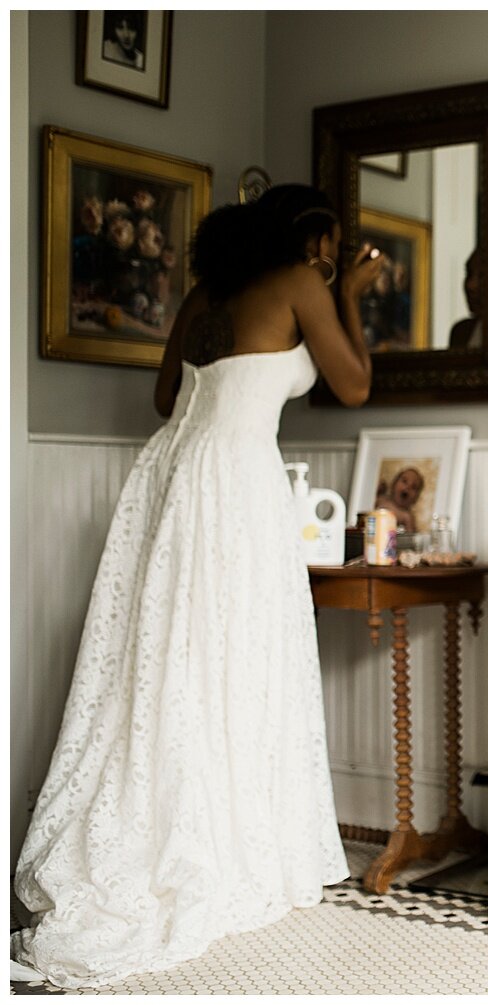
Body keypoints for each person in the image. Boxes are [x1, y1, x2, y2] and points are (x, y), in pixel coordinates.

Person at [11, 184, 383, 989]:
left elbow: (161, 399)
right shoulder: (304, 284)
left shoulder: (209, 292)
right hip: (238, 481)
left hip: (175, 474)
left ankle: (187, 822)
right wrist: (350, 297)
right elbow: (352, 385)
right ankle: (223, 839)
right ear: (305, 237)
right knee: (235, 653)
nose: (332, 256)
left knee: (171, 657)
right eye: (328, 243)